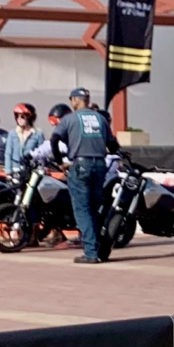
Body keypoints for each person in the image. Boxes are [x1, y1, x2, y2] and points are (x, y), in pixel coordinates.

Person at [50, 87, 119, 263]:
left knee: (83, 210)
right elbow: (112, 145)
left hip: (80, 165)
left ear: (75, 100)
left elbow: (54, 139)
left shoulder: (69, 119)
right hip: (100, 165)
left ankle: (91, 252)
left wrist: (59, 161)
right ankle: (99, 248)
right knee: (95, 208)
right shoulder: (100, 118)